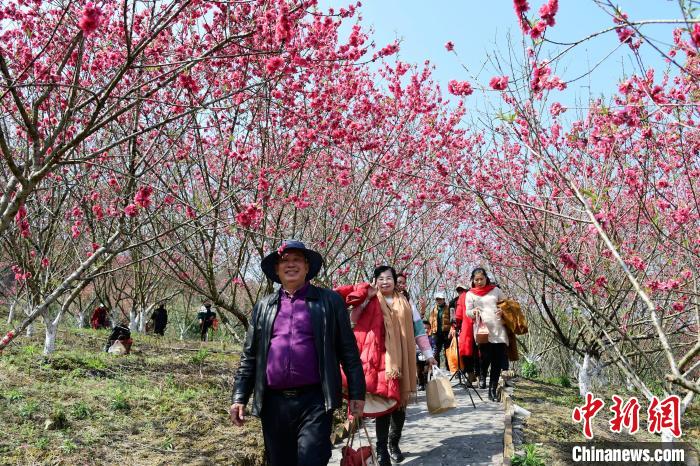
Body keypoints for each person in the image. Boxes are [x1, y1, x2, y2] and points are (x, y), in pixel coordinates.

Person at [230, 240, 365, 466]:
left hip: (315, 401)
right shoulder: (264, 306)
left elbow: (348, 352)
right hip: (274, 404)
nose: (290, 265)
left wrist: (357, 394)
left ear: (306, 266)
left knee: (312, 460)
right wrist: (239, 397)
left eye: (296, 260)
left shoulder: (329, 302)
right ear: (276, 269)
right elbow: (250, 356)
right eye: (285, 260)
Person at [371, 265, 436, 466]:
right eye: (380, 278)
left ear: (395, 281)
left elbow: (419, 330)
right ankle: (381, 449)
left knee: (399, 405)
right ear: (375, 281)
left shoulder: (406, 303)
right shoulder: (370, 302)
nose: (385, 282)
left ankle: (393, 443)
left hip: (404, 361)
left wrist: (428, 355)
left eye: (388, 278)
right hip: (381, 360)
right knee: (383, 405)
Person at [465, 268, 509, 401]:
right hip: (483, 331)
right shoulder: (470, 294)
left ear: (486, 278)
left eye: (481, 279)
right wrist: (474, 312)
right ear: (473, 280)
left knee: (497, 362)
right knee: (485, 358)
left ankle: (492, 390)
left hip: (498, 330)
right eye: (476, 279)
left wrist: (502, 311)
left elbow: (506, 304)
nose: (479, 282)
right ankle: (483, 376)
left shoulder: (495, 290)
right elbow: (468, 311)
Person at [450, 283, 478, 383]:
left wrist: (454, 326)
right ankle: (476, 375)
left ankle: (472, 374)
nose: (460, 292)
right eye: (458, 290)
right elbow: (458, 315)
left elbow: (458, 315)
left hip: (470, 328)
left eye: (461, 290)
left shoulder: (462, 297)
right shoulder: (478, 294)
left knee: (467, 351)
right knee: (476, 351)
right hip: (474, 327)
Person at [428, 292, 451, 369]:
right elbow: (430, 320)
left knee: (447, 351)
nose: (438, 301)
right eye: (437, 299)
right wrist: (431, 331)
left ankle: (449, 367)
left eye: (440, 299)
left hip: (446, 332)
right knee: (436, 351)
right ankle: (436, 368)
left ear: (444, 299)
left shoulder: (449, 308)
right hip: (436, 333)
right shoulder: (434, 309)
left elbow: (452, 320)